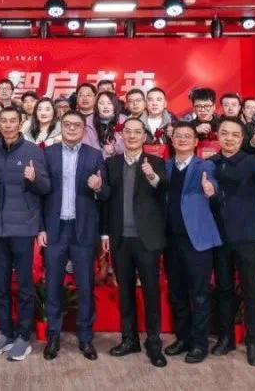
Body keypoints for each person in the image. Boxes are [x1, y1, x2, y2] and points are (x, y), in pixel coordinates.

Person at [38, 111, 107, 361]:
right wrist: (41, 228)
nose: (71, 128)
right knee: (53, 285)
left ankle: (86, 337)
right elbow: (40, 194)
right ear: (61, 126)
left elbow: (107, 194)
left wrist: (99, 188)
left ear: (84, 129)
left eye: (76, 125)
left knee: (85, 286)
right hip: (55, 228)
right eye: (67, 124)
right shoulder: (48, 153)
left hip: (83, 229)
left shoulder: (95, 155)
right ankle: (53, 336)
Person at [0, 107, 50, 362]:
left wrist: (34, 179)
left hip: (23, 228)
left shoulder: (33, 151)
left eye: (13, 120)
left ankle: (24, 336)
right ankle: (5, 333)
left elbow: (46, 188)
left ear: (21, 123)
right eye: (4, 121)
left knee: (24, 286)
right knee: (1, 285)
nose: (8, 125)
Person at [101, 118, 168, 367]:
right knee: (125, 292)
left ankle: (154, 342)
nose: (131, 136)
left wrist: (152, 176)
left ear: (144, 136)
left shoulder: (156, 162)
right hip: (120, 238)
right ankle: (129, 339)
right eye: (127, 131)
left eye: (136, 132)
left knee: (151, 291)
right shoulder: (112, 163)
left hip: (147, 239)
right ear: (122, 136)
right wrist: (105, 234)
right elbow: (107, 201)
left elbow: (163, 189)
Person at [161, 121, 219, 364]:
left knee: (199, 294)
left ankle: (199, 343)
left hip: (197, 240)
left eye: (188, 136)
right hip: (170, 240)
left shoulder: (205, 165)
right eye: (178, 135)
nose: (182, 139)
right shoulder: (164, 166)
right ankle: (183, 338)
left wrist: (210, 189)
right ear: (172, 140)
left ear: (196, 142)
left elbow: (213, 184)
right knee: (177, 292)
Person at [209, 117, 255, 365]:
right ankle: (226, 338)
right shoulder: (210, 164)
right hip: (219, 237)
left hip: (248, 236)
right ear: (217, 136)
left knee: (251, 290)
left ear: (242, 138)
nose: (229, 138)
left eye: (235, 134)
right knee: (223, 289)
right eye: (224, 133)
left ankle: (254, 342)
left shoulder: (254, 163)